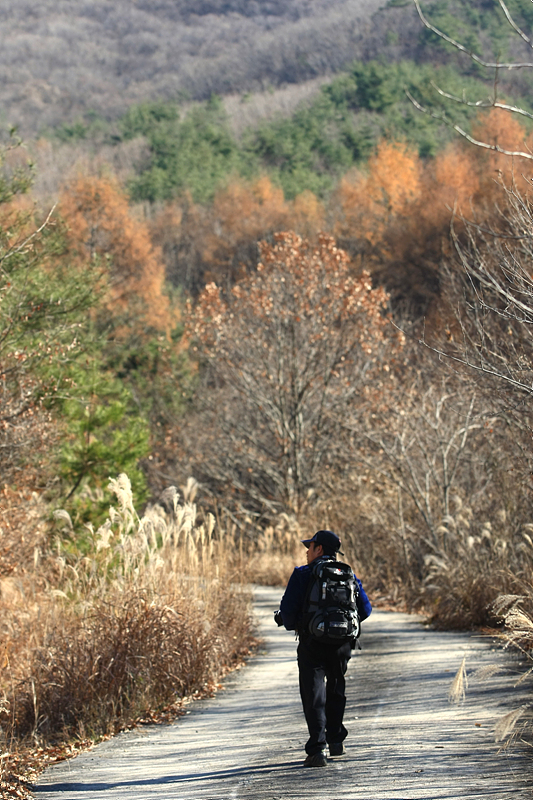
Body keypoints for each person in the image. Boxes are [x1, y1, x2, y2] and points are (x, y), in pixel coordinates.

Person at [275, 529, 372, 767]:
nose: (307, 551)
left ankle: (317, 749)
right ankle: (336, 741)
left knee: (314, 693)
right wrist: (341, 626)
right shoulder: (348, 573)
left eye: (310, 547)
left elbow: (288, 614)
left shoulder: (302, 573)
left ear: (319, 549)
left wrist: (294, 622)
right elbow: (366, 610)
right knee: (336, 687)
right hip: (342, 643)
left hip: (312, 643)